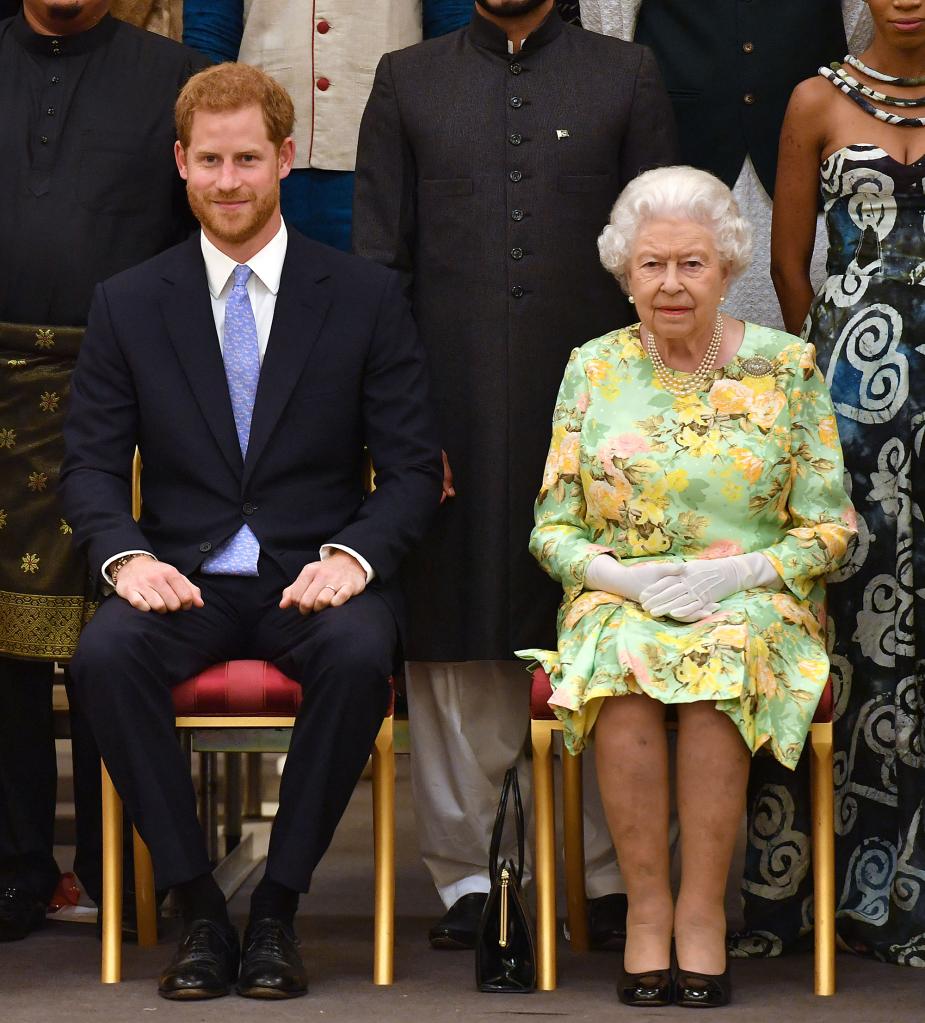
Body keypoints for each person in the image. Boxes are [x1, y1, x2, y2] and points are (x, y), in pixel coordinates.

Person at [60, 62, 442, 1000]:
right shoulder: (129, 300)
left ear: (284, 158)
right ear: (181, 164)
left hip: (311, 577)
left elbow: (411, 472)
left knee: (359, 652)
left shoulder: (360, 296)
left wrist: (353, 557)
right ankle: (197, 903)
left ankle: (275, 907)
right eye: (209, 162)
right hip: (180, 576)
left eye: (247, 160)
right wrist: (125, 556)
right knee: (104, 655)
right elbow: (93, 468)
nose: (228, 182)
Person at [353, 0, 677, 951]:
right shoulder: (408, 80)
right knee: (458, 640)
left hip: (600, 419)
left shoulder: (627, 76)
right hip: (446, 412)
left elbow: (656, 260)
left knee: (600, 633)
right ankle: (467, 879)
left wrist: (651, 429)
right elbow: (381, 268)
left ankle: (612, 875)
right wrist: (401, 432)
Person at [519, 165, 857, 1007]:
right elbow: (551, 526)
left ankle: (703, 913)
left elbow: (828, 526)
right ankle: (646, 910)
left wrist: (742, 570)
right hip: (620, 590)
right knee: (626, 666)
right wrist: (619, 578)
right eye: (651, 264)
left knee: (717, 663)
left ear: (728, 265)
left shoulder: (787, 367)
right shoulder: (590, 369)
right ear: (624, 271)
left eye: (692, 263)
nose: (670, 284)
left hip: (752, 596)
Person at [0, 0, 207, 942]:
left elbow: (195, 241)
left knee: (118, 633)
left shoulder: (172, 79)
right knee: (0, 647)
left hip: (128, 386)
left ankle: (121, 864)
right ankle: (15, 867)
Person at [771, 0, 925, 966]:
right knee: (855, 633)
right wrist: (825, 376)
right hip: (852, 412)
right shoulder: (814, 101)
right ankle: (846, 893)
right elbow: (791, 266)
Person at [181, 0, 422, 252]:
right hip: (255, 157)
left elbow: (450, 29)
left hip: (393, 149)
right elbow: (209, 36)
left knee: (378, 282)